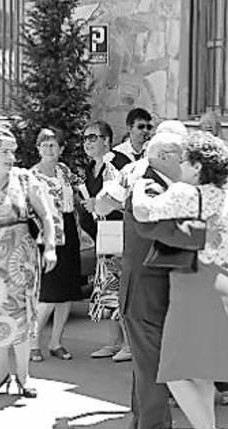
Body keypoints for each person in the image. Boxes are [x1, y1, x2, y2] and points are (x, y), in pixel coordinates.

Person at [131, 131, 228, 429]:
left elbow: (143, 212)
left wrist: (139, 185)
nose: (180, 166)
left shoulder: (185, 193)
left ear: (198, 167)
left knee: (172, 369)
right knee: (201, 370)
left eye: (185, 161)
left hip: (195, 282)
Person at [95, 132, 190, 429]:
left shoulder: (148, 178)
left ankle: (140, 427)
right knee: (154, 365)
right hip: (147, 288)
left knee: (146, 364)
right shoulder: (147, 183)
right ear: (165, 157)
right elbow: (157, 226)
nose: (188, 163)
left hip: (148, 285)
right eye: (183, 157)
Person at [0, 128, 57, 398]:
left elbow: (46, 216)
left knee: (23, 316)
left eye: (12, 150)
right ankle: (1, 371)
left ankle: (24, 376)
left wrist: (49, 247)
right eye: (4, 151)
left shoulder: (25, 179)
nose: (11, 156)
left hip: (20, 259)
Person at [79, 120, 133, 363]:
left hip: (119, 232)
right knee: (107, 288)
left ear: (106, 140)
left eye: (93, 137)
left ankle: (130, 345)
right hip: (104, 233)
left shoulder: (120, 164)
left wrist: (100, 205)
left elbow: (130, 199)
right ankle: (114, 343)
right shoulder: (93, 167)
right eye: (85, 138)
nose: (88, 142)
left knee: (120, 288)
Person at [29, 128, 82, 362]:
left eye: (54, 145)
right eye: (45, 145)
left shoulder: (64, 171)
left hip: (68, 228)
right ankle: (33, 342)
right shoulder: (32, 176)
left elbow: (75, 200)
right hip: (46, 233)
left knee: (67, 291)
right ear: (38, 148)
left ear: (61, 149)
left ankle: (56, 342)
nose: (50, 149)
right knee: (48, 293)